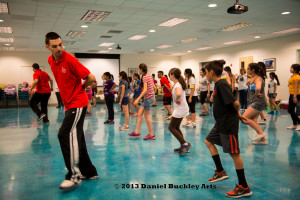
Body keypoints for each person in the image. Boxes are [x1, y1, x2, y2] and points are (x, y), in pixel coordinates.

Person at [45, 32, 98, 189]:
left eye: (60, 44)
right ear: (47, 47)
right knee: (78, 138)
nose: (59, 48)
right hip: (69, 103)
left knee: (65, 134)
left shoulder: (70, 59)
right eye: (54, 46)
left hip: (78, 102)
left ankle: (74, 175)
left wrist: (81, 88)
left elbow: (91, 77)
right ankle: (89, 172)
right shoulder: (50, 60)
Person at [204, 60, 252, 198]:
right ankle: (220, 171)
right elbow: (229, 103)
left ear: (211, 72)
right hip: (220, 123)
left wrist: (238, 114)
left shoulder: (222, 84)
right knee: (208, 141)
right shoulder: (218, 85)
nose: (205, 75)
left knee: (234, 154)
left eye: (206, 72)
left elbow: (234, 103)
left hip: (227, 124)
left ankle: (244, 186)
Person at [128, 63, 156, 140]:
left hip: (148, 98)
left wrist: (137, 99)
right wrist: (153, 93)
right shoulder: (149, 76)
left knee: (146, 116)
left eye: (139, 69)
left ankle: (151, 134)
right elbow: (154, 87)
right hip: (150, 97)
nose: (138, 70)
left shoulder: (144, 77)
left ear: (141, 69)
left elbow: (145, 89)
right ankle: (137, 132)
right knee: (140, 113)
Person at [243, 63, 268, 145]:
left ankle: (260, 133)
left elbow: (258, 87)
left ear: (253, 70)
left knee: (245, 117)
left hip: (258, 102)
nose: (247, 70)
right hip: (255, 101)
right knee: (254, 120)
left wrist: (257, 92)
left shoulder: (258, 78)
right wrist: (249, 84)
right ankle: (263, 140)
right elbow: (252, 86)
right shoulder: (252, 78)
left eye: (248, 68)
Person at [168, 68, 191, 155]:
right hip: (182, 108)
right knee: (176, 127)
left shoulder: (177, 85)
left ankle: (185, 144)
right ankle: (183, 145)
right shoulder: (177, 84)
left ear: (172, 75)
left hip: (180, 109)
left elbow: (178, 94)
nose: (169, 76)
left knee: (171, 127)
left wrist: (177, 100)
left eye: (170, 74)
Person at [287, 64, 300, 130]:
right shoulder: (293, 77)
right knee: (291, 110)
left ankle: (299, 123)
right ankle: (295, 124)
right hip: (292, 94)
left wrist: (294, 97)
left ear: (295, 69)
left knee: (290, 110)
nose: (290, 69)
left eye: (291, 68)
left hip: (296, 95)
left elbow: (297, 87)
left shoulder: (297, 77)